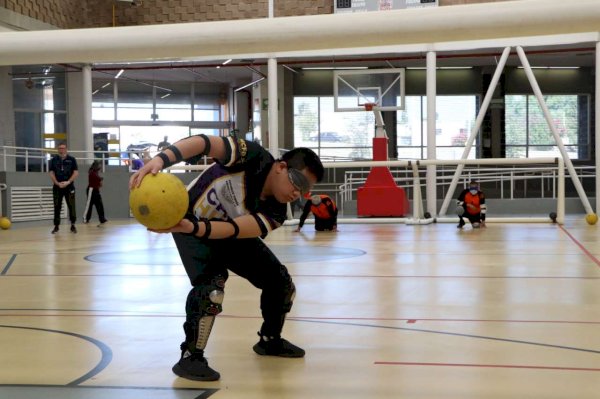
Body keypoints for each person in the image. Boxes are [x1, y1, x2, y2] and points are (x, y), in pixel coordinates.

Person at [129, 134, 324, 382]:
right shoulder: (252, 156)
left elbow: (235, 230)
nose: (297, 193)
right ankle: (191, 357)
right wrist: (161, 160)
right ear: (281, 167)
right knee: (211, 287)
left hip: (213, 229)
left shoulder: (276, 212)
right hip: (187, 218)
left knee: (280, 282)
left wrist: (195, 228)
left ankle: (269, 340)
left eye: (305, 190)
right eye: (297, 181)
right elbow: (203, 142)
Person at [48, 141, 79, 234]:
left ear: (66, 149)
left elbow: (76, 172)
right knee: (57, 206)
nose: (61, 150)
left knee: (71, 206)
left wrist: (68, 182)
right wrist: (57, 183)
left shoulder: (72, 159)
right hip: (57, 187)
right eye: (60, 148)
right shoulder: (53, 160)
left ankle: (73, 225)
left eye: (63, 148)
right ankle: (56, 226)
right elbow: (51, 172)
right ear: (58, 149)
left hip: (69, 187)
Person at [83, 160, 108, 226]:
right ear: (96, 166)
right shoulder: (92, 172)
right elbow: (97, 178)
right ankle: (85, 218)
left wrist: (100, 180)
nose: (100, 166)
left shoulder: (96, 172)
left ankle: (102, 219)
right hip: (91, 190)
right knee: (89, 205)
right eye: (99, 165)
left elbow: (99, 183)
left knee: (99, 204)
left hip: (96, 190)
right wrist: (101, 179)